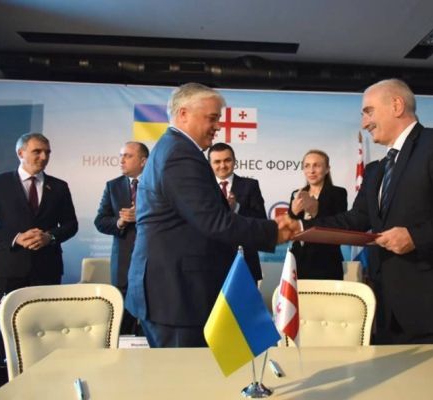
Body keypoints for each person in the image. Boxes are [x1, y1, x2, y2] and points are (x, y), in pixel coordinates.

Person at [279, 79, 433, 370]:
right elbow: (355, 219)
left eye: (368, 111)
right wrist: (301, 229)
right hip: (393, 315)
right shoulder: (376, 170)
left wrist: (415, 236)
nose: (364, 122)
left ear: (397, 105)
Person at [125, 82, 291, 348]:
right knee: (186, 373)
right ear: (183, 114)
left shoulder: (174, 149)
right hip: (176, 296)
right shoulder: (180, 155)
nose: (217, 126)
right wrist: (274, 232)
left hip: (174, 292)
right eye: (212, 118)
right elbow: (214, 222)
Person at [0, 132, 78, 385]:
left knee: (45, 326)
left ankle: (44, 382)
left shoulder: (59, 186)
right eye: (37, 151)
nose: (43, 157)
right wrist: (16, 238)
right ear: (20, 153)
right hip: (8, 267)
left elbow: (70, 225)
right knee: (4, 328)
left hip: (46, 268)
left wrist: (49, 237)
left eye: (47, 152)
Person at [94, 141, 149, 335]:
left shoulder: (157, 184)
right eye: (121, 156)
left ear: (143, 161)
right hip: (123, 264)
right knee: (123, 322)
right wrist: (120, 222)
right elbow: (100, 221)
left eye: (128, 156)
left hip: (152, 261)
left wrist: (142, 215)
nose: (121, 160)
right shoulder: (113, 186)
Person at [207, 142, 267, 283]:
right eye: (217, 162)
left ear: (234, 161)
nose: (223, 165)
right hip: (210, 264)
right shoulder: (202, 187)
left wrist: (237, 208)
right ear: (209, 164)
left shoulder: (250, 185)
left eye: (227, 160)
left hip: (244, 261)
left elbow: (261, 221)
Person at [288, 149, 347, 279]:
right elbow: (291, 227)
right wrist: (293, 212)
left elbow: (338, 224)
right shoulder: (297, 194)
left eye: (317, 165)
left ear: (327, 169)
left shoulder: (338, 193)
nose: (311, 170)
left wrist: (315, 211)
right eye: (307, 166)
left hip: (327, 261)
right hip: (298, 260)